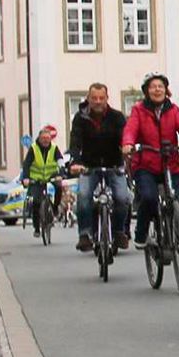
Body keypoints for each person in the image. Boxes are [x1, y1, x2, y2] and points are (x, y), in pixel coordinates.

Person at [121, 72, 179, 247]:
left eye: (160, 86)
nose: (157, 90)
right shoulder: (138, 110)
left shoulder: (172, 110)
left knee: (178, 203)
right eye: (153, 87)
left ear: (166, 90)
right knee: (149, 198)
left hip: (170, 163)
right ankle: (141, 234)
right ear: (146, 91)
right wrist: (128, 143)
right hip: (146, 165)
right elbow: (131, 129)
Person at [68, 84, 133, 252]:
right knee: (83, 196)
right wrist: (75, 162)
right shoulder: (80, 118)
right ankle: (85, 235)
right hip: (89, 166)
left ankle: (119, 232)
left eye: (101, 98)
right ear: (88, 99)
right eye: (94, 98)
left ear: (107, 99)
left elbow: (125, 138)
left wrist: (127, 150)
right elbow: (75, 142)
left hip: (113, 164)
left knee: (122, 198)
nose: (98, 102)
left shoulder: (117, 117)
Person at [20, 126, 64, 237]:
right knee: (35, 201)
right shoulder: (33, 148)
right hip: (37, 178)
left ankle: (54, 209)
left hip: (51, 176)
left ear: (50, 139)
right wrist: (25, 178)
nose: (45, 140)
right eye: (43, 138)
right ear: (39, 138)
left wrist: (61, 174)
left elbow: (60, 161)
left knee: (59, 187)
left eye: (47, 138)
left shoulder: (54, 148)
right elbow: (27, 164)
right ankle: (36, 228)